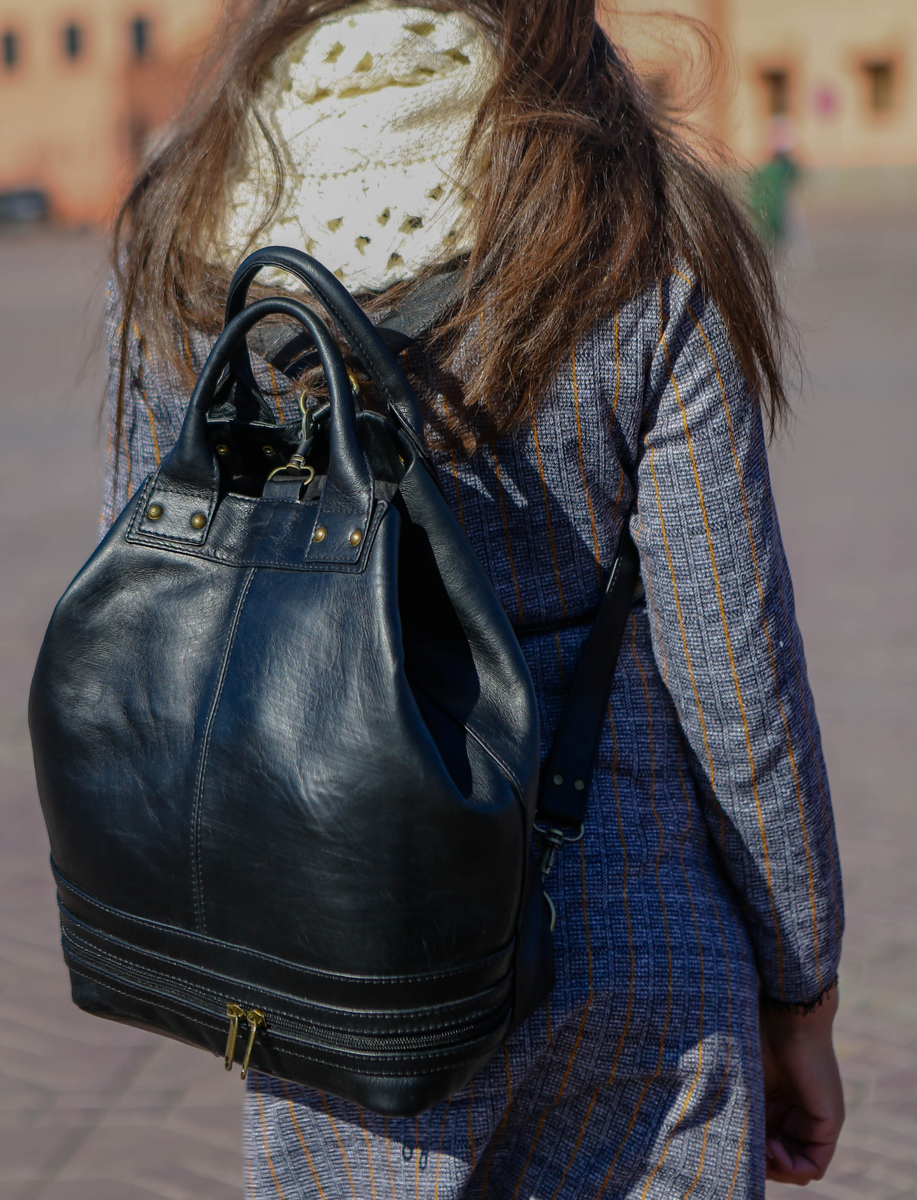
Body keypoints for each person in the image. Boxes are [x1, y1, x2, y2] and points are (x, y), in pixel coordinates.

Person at [100, 0, 844, 1194]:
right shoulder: (636, 219)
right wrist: (801, 984)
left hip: (346, 949)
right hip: (634, 938)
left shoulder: (192, 228)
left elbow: (156, 616)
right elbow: (733, 675)